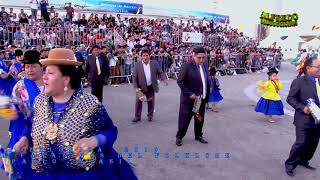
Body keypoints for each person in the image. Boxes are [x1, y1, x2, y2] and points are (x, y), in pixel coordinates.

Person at [14, 48, 137, 179]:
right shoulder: (40, 101)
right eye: (45, 71)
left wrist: (94, 140)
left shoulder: (89, 104)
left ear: (66, 79)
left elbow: (110, 130)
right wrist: (25, 138)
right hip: (43, 172)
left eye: (50, 73)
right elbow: (32, 125)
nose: (44, 76)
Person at [2, 50, 44, 179]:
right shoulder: (20, 86)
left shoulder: (50, 84)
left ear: (42, 66)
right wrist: (6, 106)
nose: (30, 70)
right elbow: (11, 109)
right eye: (27, 66)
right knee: (20, 169)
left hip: (45, 133)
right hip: (22, 132)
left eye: (33, 66)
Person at [285, 57, 320, 177]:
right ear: (308, 68)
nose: (319, 69)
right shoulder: (299, 81)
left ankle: (304, 160)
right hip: (303, 120)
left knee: (313, 143)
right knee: (301, 142)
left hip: (318, 121)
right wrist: (302, 108)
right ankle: (290, 164)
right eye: (318, 67)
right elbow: (290, 98)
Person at [176, 46, 210, 146]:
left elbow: (205, 80)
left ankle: (198, 135)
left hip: (201, 100)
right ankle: (179, 137)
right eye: (199, 58)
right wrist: (190, 93)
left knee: (199, 118)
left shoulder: (204, 65)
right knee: (185, 120)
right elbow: (180, 81)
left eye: (203, 57)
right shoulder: (186, 66)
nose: (201, 60)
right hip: (189, 100)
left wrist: (207, 94)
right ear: (193, 55)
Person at [132, 48, 167, 122]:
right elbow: (134, 77)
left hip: (151, 86)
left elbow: (160, 72)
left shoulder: (154, 63)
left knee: (151, 102)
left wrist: (164, 79)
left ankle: (150, 115)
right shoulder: (137, 64)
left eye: (147, 55)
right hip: (140, 87)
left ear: (149, 56)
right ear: (141, 56)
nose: (145, 57)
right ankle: (137, 116)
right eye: (143, 55)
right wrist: (136, 88)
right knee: (138, 102)